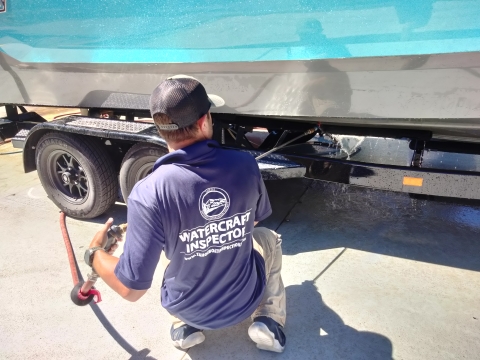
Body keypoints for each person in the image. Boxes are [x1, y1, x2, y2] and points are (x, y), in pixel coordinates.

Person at [86, 75, 286, 353]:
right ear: (204, 121)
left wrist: (95, 253)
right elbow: (253, 221)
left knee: (178, 261)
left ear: (159, 128)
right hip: (244, 302)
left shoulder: (147, 193)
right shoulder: (245, 164)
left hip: (191, 309)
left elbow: (130, 290)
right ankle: (269, 320)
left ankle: (184, 327)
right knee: (268, 238)